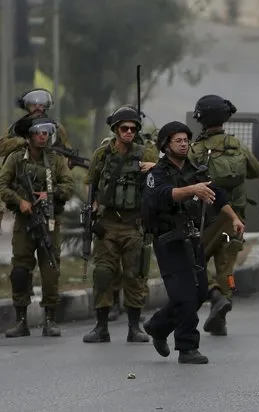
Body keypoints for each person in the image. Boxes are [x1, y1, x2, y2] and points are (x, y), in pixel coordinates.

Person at [141, 121, 245, 364]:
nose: (183, 144)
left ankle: (158, 326)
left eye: (186, 140)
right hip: (169, 241)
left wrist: (234, 218)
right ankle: (187, 347)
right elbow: (163, 195)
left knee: (198, 293)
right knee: (184, 295)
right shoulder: (158, 173)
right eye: (177, 140)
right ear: (166, 144)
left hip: (192, 238)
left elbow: (217, 195)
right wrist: (192, 189)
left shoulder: (196, 171)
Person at [82, 106, 158, 344]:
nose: (129, 132)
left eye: (133, 128)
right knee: (103, 273)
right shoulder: (103, 155)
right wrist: (92, 205)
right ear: (115, 130)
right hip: (107, 224)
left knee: (135, 276)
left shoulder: (145, 154)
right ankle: (101, 326)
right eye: (124, 128)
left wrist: (154, 168)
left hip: (133, 225)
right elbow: (91, 183)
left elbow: (164, 179)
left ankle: (134, 327)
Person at [189, 95, 259, 336]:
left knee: (195, 261)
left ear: (200, 118)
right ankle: (221, 312)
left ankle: (215, 295)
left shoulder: (196, 148)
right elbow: (256, 170)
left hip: (205, 218)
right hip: (236, 220)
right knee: (226, 267)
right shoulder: (236, 145)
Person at [0, 118, 74, 337]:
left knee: (51, 269)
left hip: (49, 221)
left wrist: (49, 194)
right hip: (24, 222)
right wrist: (20, 201)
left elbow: (68, 186)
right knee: (20, 270)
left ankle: (50, 319)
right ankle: (21, 320)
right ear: (30, 136)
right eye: (39, 132)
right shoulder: (15, 159)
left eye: (46, 132)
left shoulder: (56, 160)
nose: (43, 136)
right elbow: (2, 185)